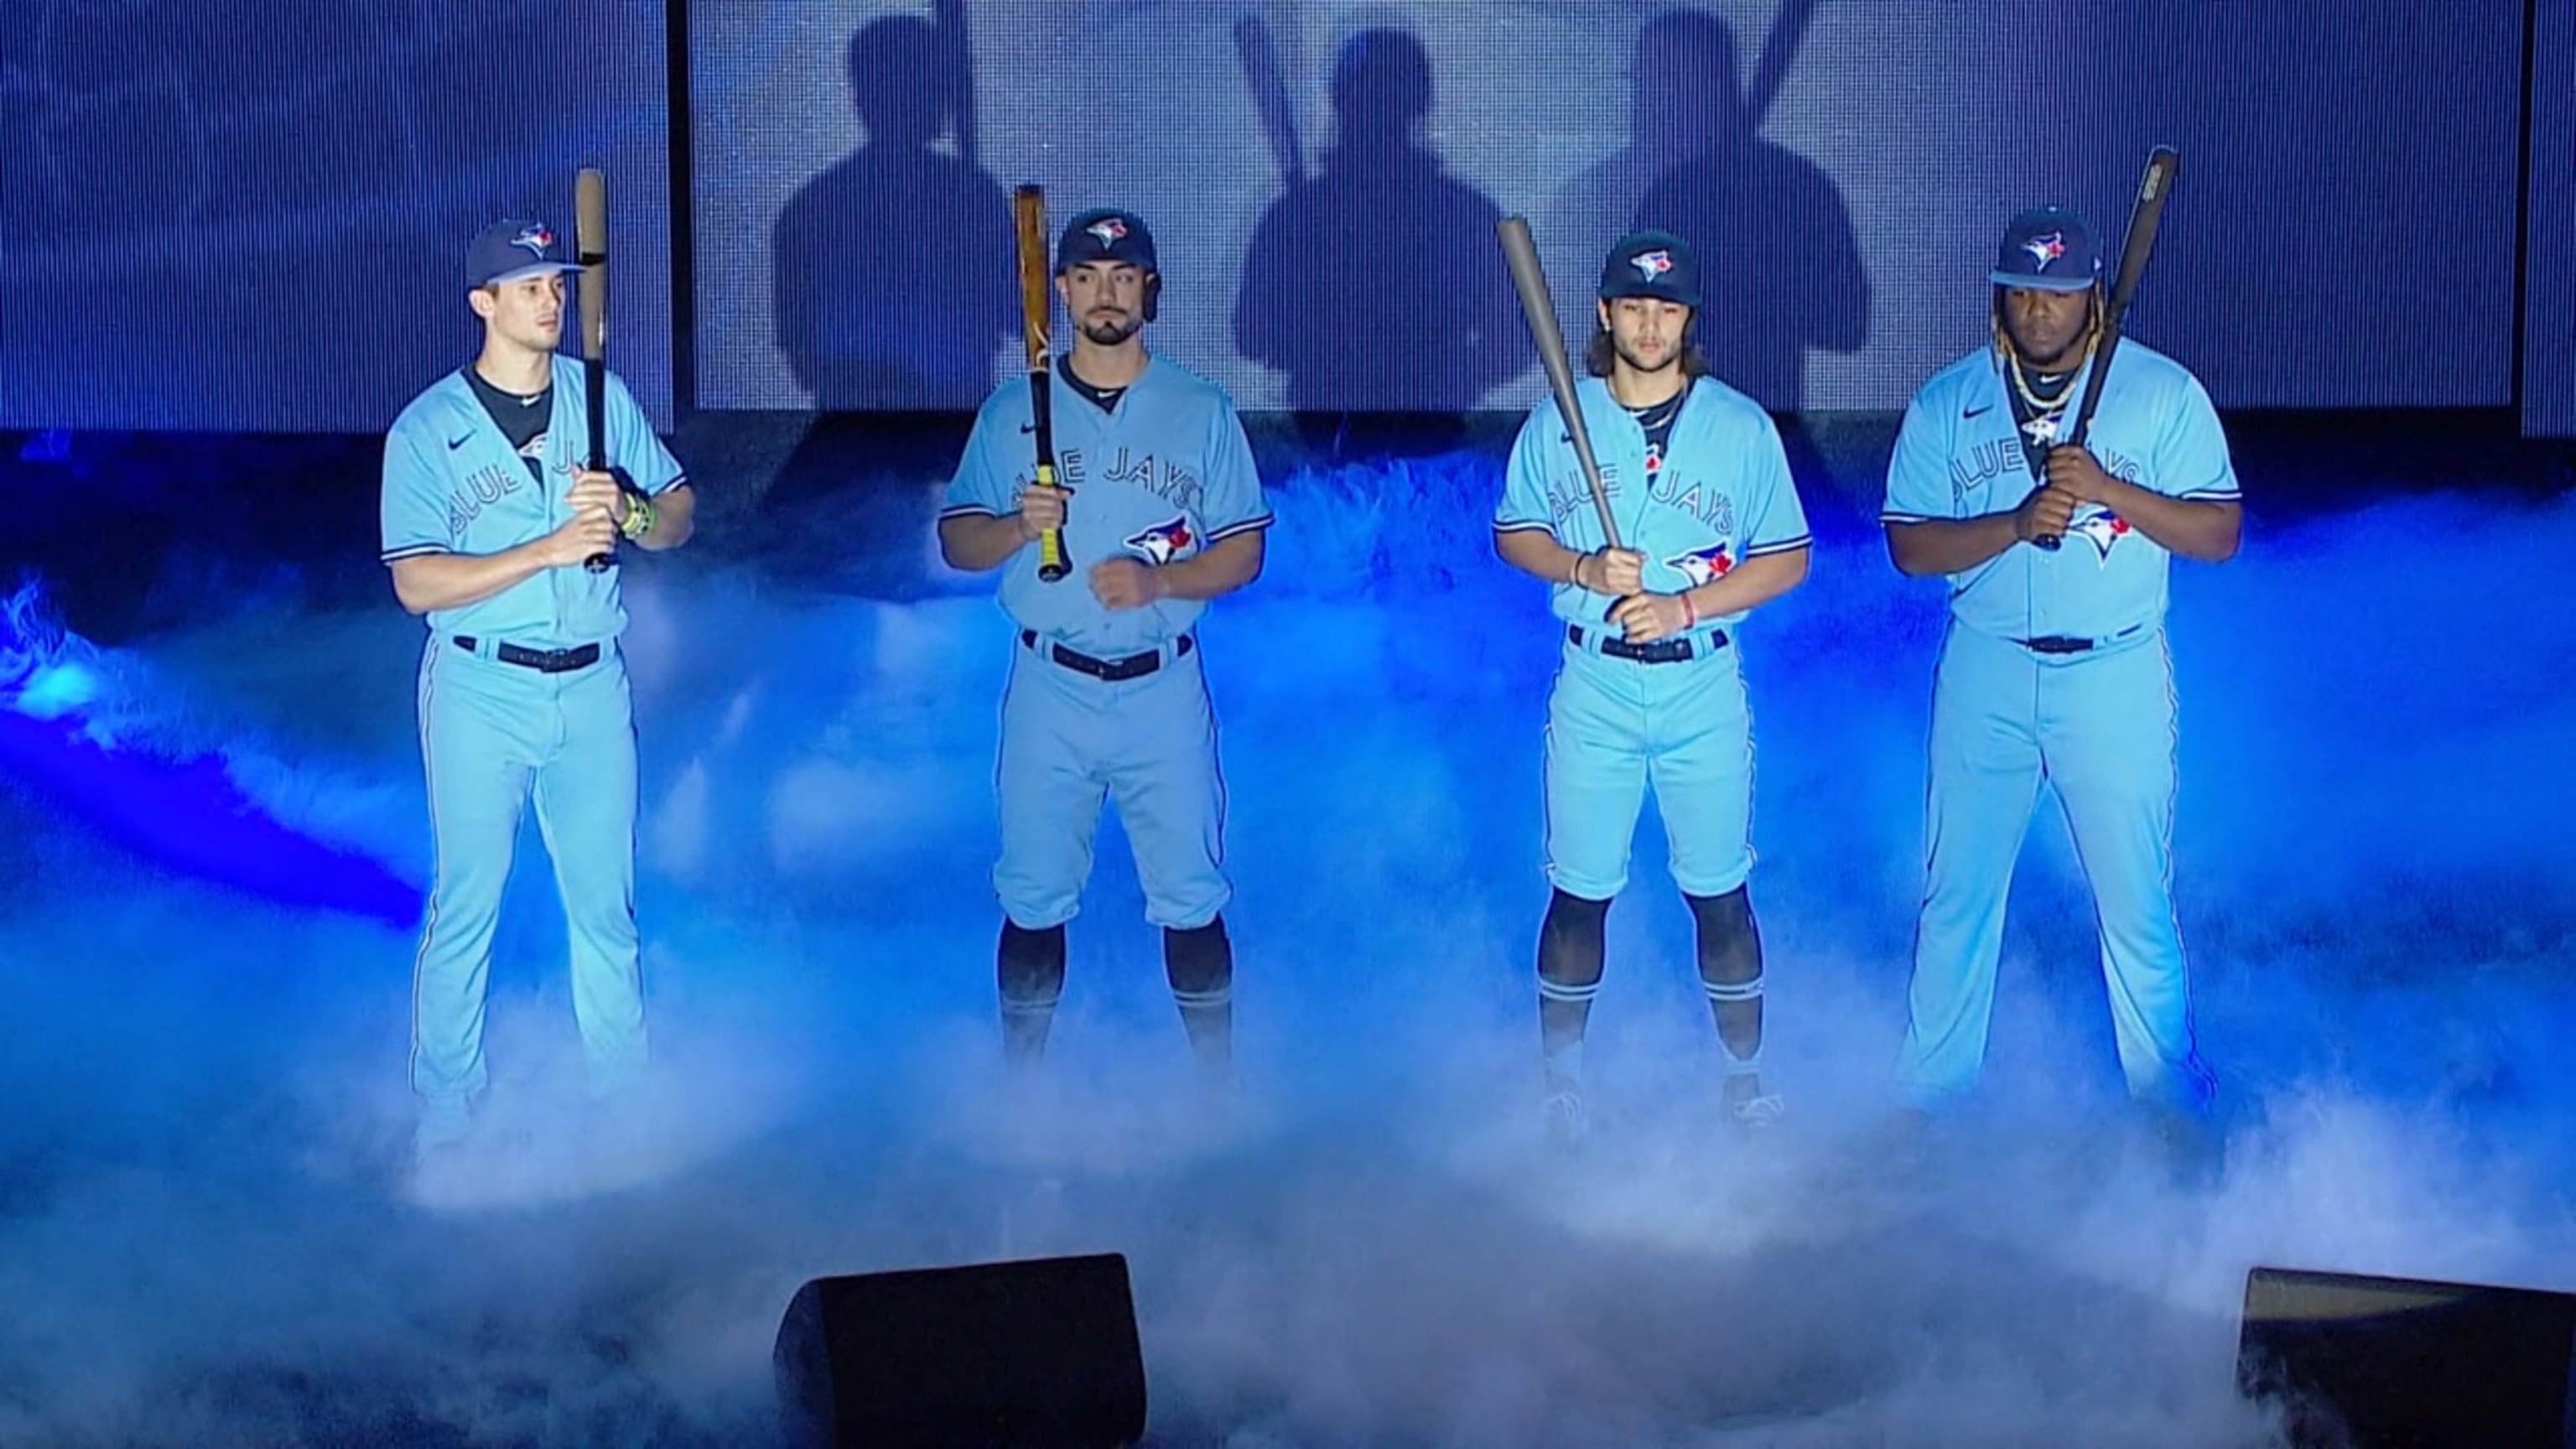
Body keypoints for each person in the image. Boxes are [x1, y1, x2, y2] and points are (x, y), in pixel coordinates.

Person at [1878, 205, 2241, 1135]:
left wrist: (2107, 489)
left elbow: (2219, 532)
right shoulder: (1948, 401)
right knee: (1957, 893)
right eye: (2025, 291)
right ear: (1999, 298)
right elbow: (1910, 547)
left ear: (2093, 300)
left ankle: (2169, 1107)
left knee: (2135, 900)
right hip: (1988, 671)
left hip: (2112, 675)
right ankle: (1930, 1105)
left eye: (2061, 291)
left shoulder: (2161, 394)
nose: (2042, 309)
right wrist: (2012, 523)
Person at [379, 216, 695, 1161]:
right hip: (480, 686)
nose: (551, 300)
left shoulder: (599, 398)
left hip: (593, 683)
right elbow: (416, 582)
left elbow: (678, 515)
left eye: (556, 285)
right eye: (529, 288)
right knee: (467, 898)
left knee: (606, 904)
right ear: (483, 302)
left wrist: (632, 510)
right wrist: (547, 549)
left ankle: (624, 1099)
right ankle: (445, 1115)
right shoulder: (429, 429)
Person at [1491, 231, 1813, 1142]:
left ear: (1688, 320)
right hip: (1594, 684)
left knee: (1719, 890)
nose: (1649, 322)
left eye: (1666, 308)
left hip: (1702, 684)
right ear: (1603, 314)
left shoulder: (1739, 427)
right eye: (1633, 305)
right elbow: (1513, 534)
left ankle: (1744, 1085)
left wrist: (1683, 606)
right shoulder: (1561, 416)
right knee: (1580, 889)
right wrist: (1587, 568)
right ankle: (1561, 1087)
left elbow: (1788, 557)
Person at [937, 208, 1271, 1080]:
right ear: (1064, 292)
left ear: (1149, 292)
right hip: (1052, 686)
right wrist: (1017, 525)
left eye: (1125, 279)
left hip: (1163, 686)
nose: (1106, 294)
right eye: (1088, 277)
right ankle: (1022, 1092)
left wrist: (1161, 582)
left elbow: (1244, 549)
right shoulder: (1016, 407)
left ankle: (1218, 1092)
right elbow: (956, 541)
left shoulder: (1199, 407)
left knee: (1193, 899)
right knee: (1034, 895)